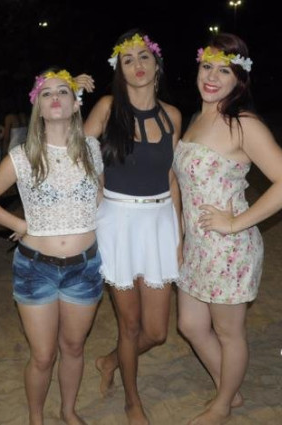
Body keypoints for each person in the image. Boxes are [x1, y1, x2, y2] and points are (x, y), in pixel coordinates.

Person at [173, 33, 282, 425]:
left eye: (224, 71)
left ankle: (222, 404)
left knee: (228, 332)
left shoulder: (243, 124)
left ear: (239, 79)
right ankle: (228, 387)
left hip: (229, 248)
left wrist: (234, 222)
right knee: (190, 325)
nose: (212, 77)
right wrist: (180, 238)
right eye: (207, 67)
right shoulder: (196, 119)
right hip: (197, 246)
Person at [0, 69, 103, 425]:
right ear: (38, 108)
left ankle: (68, 410)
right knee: (43, 356)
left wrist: (78, 84)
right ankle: (36, 418)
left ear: (75, 105)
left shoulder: (91, 148)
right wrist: (19, 225)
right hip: (35, 269)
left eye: (63, 92)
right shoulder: (23, 155)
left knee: (73, 347)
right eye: (46, 94)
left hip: (84, 268)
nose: (55, 97)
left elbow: (100, 197)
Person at [83, 29, 183, 425]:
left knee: (156, 331)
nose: (137, 65)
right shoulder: (108, 108)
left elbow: (173, 178)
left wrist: (180, 235)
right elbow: (77, 157)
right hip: (118, 225)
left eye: (144, 56)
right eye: (128, 59)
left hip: (159, 224)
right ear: (119, 69)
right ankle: (131, 401)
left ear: (157, 64)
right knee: (130, 324)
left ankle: (110, 360)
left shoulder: (173, 115)